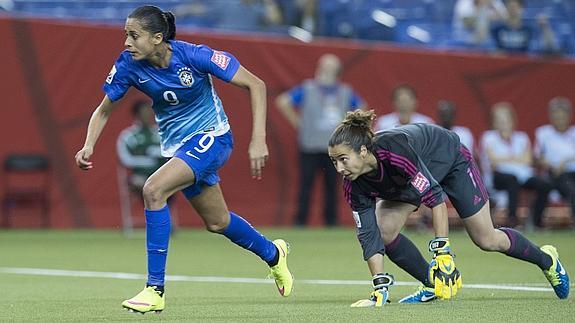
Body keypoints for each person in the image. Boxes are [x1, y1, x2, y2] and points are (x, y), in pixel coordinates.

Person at [74, 5, 293, 314]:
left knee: (153, 190)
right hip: (181, 149)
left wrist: (258, 139)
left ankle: (155, 289)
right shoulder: (128, 65)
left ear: (157, 38)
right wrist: (88, 145)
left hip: (213, 137)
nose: (126, 42)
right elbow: (104, 109)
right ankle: (274, 254)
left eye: (133, 36)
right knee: (218, 222)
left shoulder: (194, 55)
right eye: (125, 35)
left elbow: (256, 84)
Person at [328, 109, 569, 307]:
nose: (339, 168)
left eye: (343, 159)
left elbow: (435, 198)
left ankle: (547, 259)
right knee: (383, 230)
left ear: (362, 151)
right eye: (334, 161)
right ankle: (433, 286)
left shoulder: (394, 150)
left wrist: (442, 253)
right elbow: (368, 236)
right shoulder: (353, 184)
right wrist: (379, 287)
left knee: (486, 239)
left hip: (451, 162)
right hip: (408, 180)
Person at [275, 53, 365, 226]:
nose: (327, 70)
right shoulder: (308, 88)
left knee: (332, 187)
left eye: (331, 67)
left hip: (336, 148)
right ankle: (300, 221)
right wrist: (299, 123)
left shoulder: (345, 91)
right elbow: (283, 102)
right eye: (325, 67)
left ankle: (331, 221)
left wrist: (348, 129)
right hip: (310, 145)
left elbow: (362, 107)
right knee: (305, 185)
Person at [480, 102, 552, 229]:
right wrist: (515, 158)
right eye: (499, 120)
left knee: (544, 185)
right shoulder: (488, 137)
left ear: (513, 120)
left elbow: (528, 160)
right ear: (494, 122)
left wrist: (505, 159)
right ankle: (512, 220)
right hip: (499, 177)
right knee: (512, 180)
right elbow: (494, 162)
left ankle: (536, 221)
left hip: (523, 175)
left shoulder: (522, 138)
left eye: (506, 119)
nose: (503, 123)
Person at [534, 97, 575, 226]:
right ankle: (537, 223)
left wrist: (566, 160)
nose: (559, 120)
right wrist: (549, 164)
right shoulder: (543, 133)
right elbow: (536, 157)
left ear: (569, 116)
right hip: (556, 173)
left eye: (562, 116)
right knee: (571, 189)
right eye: (556, 116)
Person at [116, 100, 164, 193]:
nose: (147, 115)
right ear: (137, 114)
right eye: (144, 112)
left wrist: (154, 152)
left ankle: (165, 207)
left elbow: (169, 152)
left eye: (149, 112)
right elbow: (125, 159)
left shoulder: (159, 133)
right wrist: (150, 162)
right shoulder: (128, 136)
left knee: (171, 182)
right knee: (145, 186)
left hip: (161, 173)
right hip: (139, 175)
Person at [490, 0, 559, 54]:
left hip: (524, 66)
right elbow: (490, 49)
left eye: (515, 7)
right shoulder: (497, 29)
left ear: (522, 9)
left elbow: (550, 46)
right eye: (509, 6)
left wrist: (545, 27)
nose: (512, 9)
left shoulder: (529, 29)